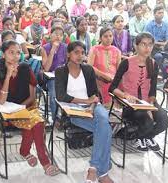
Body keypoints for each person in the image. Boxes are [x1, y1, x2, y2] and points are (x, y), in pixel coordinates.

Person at [0, 40, 60, 176]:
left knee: (36, 123)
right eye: (11, 52)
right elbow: (2, 101)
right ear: (3, 54)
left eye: (18, 53)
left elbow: (32, 97)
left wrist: (22, 109)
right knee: (35, 123)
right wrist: (8, 76)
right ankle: (41, 160)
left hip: (27, 107)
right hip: (8, 112)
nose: (15, 56)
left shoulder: (25, 68)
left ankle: (29, 153)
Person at [55, 41, 113, 183]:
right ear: (68, 54)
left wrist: (91, 107)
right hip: (72, 109)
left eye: (82, 52)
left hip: (93, 106)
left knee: (103, 119)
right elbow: (61, 96)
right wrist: (85, 102)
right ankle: (102, 172)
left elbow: (94, 94)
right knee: (105, 130)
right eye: (76, 52)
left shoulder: (88, 70)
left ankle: (93, 168)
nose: (80, 55)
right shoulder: (60, 71)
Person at [109, 32, 168, 152]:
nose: (147, 48)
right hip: (129, 104)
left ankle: (145, 136)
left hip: (147, 103)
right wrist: (125, 95)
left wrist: (150, 107)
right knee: (147, 122)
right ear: (136, 46)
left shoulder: (153, 64)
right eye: (143, 44)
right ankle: (143, 136)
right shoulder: (126, 62)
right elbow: (112, 87)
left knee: (164, 121)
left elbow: (152, 90)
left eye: (150, 45)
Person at [88, 27, 121, 107]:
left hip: (112, 81)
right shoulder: (94, 49)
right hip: (97, 80)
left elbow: (119, 70)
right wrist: (104, 75)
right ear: (100, 38)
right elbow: (89, 67)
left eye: (110, 36)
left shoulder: (117, 51)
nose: (108, 38)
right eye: (105, 36)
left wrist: (114, 79)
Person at [41, 26, 67, 123]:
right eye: (56, 34)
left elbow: (68, 64)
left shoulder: (65, 47)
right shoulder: (45, 48)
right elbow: (46, 68)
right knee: (53, 96)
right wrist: (52, 50)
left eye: (60, 35)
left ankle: (66, 117)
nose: (58, 37)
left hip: (63, 75)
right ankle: (55, 118)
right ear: (50, 35)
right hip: (51, 77)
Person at [144, 5, 168, 80]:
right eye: (159, 13)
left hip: (164, 48)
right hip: (152, 48)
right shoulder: (149, 25)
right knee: (158, 56)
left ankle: (167, 75)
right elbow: (149, 40)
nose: (161, 14)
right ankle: (163, 75)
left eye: (162, 13)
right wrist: (162, 43)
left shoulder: (165, 24)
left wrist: (165, 44)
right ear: (154, 14)